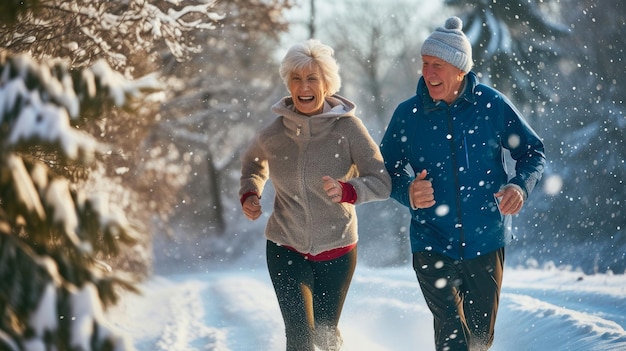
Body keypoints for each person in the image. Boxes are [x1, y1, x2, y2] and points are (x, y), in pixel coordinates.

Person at [380, 16, 546, 351]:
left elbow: (533, 152)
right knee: (452, 335)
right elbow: (383, 171)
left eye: (437, 65)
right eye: (425, 64)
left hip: (486, 237)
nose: (428, 73)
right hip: (431, 239)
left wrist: (520, 186)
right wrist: (406, 190)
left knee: (480, 338)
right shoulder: (409, 116)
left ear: (459, 69)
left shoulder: (491, 105)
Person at [239, 39, 391, 351]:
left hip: (337, 249)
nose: (304, 86)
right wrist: (250, 192)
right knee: (301, 337)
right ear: (288, 84)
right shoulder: (274, 133)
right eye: (296, 78)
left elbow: (381, 181)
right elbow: (253, 164)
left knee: (324, 334)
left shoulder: (348, 130)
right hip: (285, 246)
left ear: (327, 83)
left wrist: (349, 190)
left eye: (312, 78)